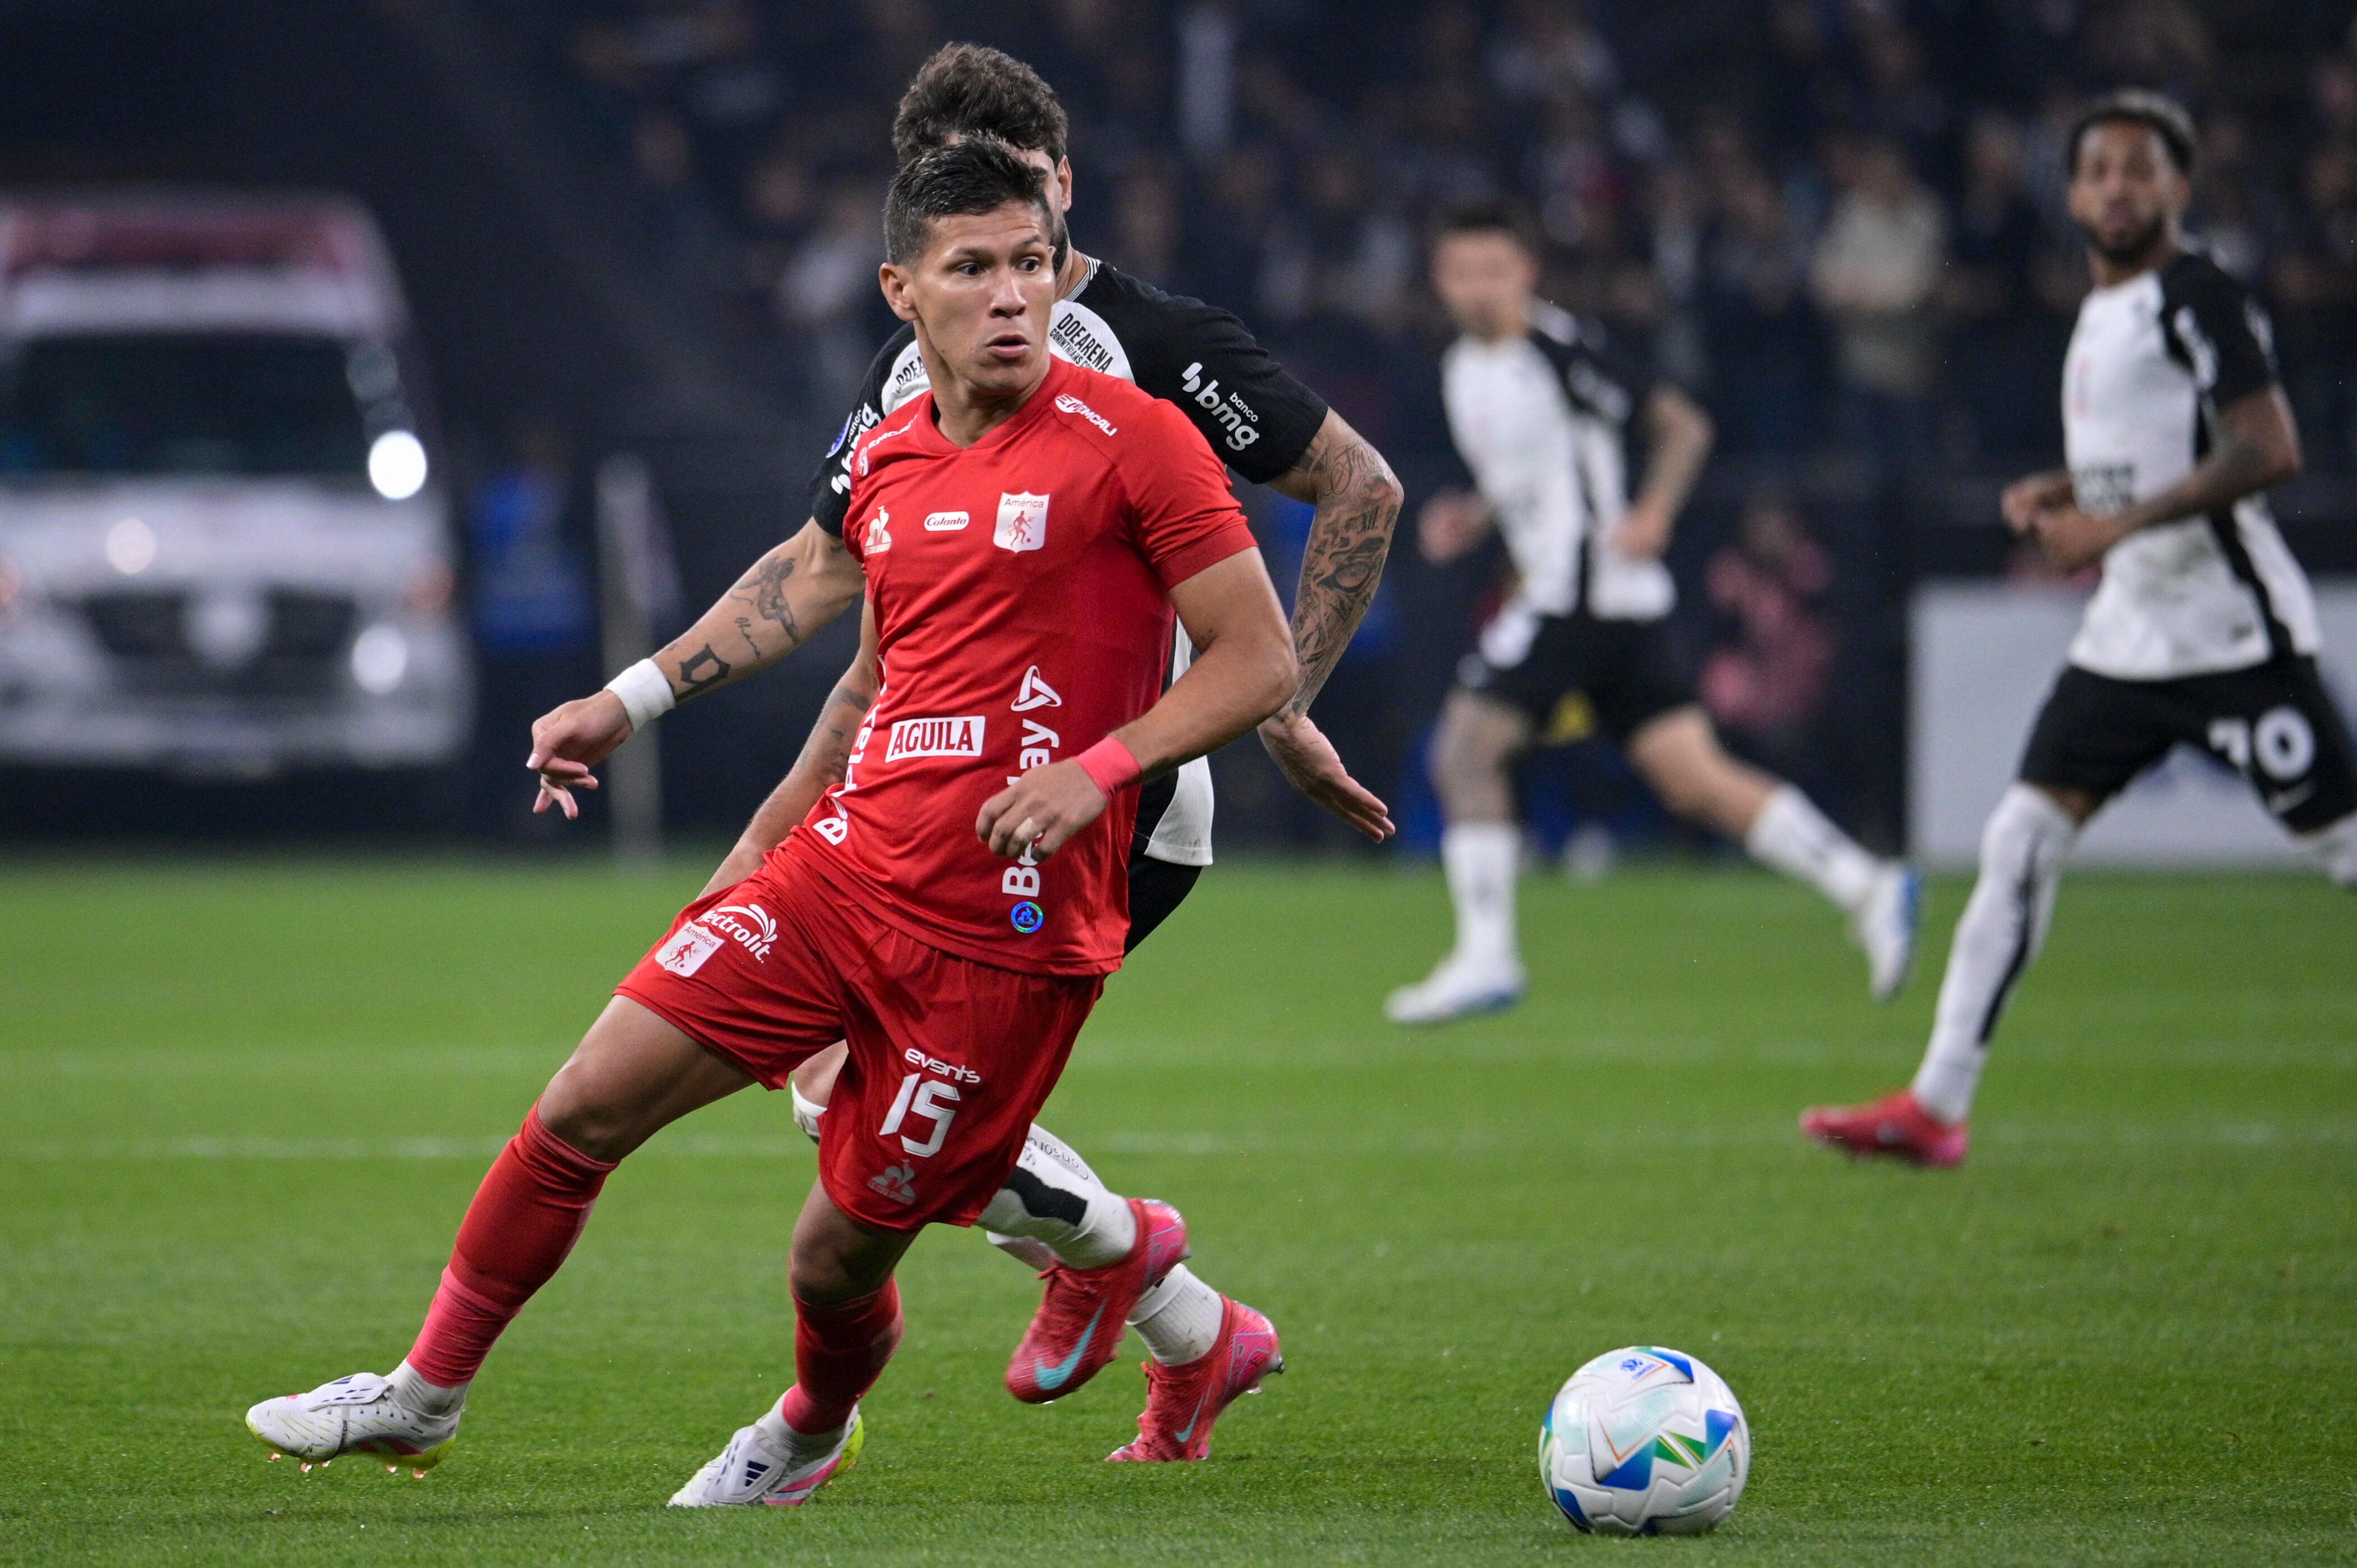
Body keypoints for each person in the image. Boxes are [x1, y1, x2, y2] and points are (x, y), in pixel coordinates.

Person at [246, 141, 1299, 1502]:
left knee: (831, 1257)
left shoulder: (1135, 439)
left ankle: (808, 1429)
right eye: (972, 268)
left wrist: (1098, 768)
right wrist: (635, 712)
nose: (1011, 295)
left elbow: (1257, 658)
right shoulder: (893, 455)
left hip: (1004, 938)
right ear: (901, 291)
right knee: (582, 1102)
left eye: (1031, 264)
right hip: (841, 879)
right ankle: (422, 1393)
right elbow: (847, 645)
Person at [527, 45, 1402, 1452]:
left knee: (877, 1096)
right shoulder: (916, 369)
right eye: (966, 211)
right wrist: (754, 810)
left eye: (1031, 204)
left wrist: (1288, 699)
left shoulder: (1158, 345)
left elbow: (1359, 481)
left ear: (1066, 186)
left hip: (1108, 801)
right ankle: (1184, 1321)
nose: (1012, 264)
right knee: (853, 1096)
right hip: (937, 789)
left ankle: (1113, 1271)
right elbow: (862, 624)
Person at [1803, 91, 2357, 1168]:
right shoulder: (2104, 309)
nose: (2117, 188)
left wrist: (2109, 525)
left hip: (2233, 635)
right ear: (2070, 194)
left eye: (2139, 170)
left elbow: (2269, 446)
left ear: (2178, 188)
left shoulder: (2198, 294)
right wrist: (2065, 488)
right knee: (2020, 837)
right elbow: (2154, 448)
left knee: (2341, 845)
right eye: (2099, 170)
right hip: (2129, 637)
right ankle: (1936, 1105)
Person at [1388, 204, 1919, 1026]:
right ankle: (1867, 885)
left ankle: (1487, 954)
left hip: (1582, 594)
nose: (1480, 288)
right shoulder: (1463, 368)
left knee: (1464, 748)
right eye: (1463, 273)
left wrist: (1656, 513)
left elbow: (1683, 427)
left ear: (1526, 271)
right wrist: (1475, 515)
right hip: (1613, 604)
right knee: (1695, 779)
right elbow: (1533, 472)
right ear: (1441, 281)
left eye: (1495, 269)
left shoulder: (1562, 352)